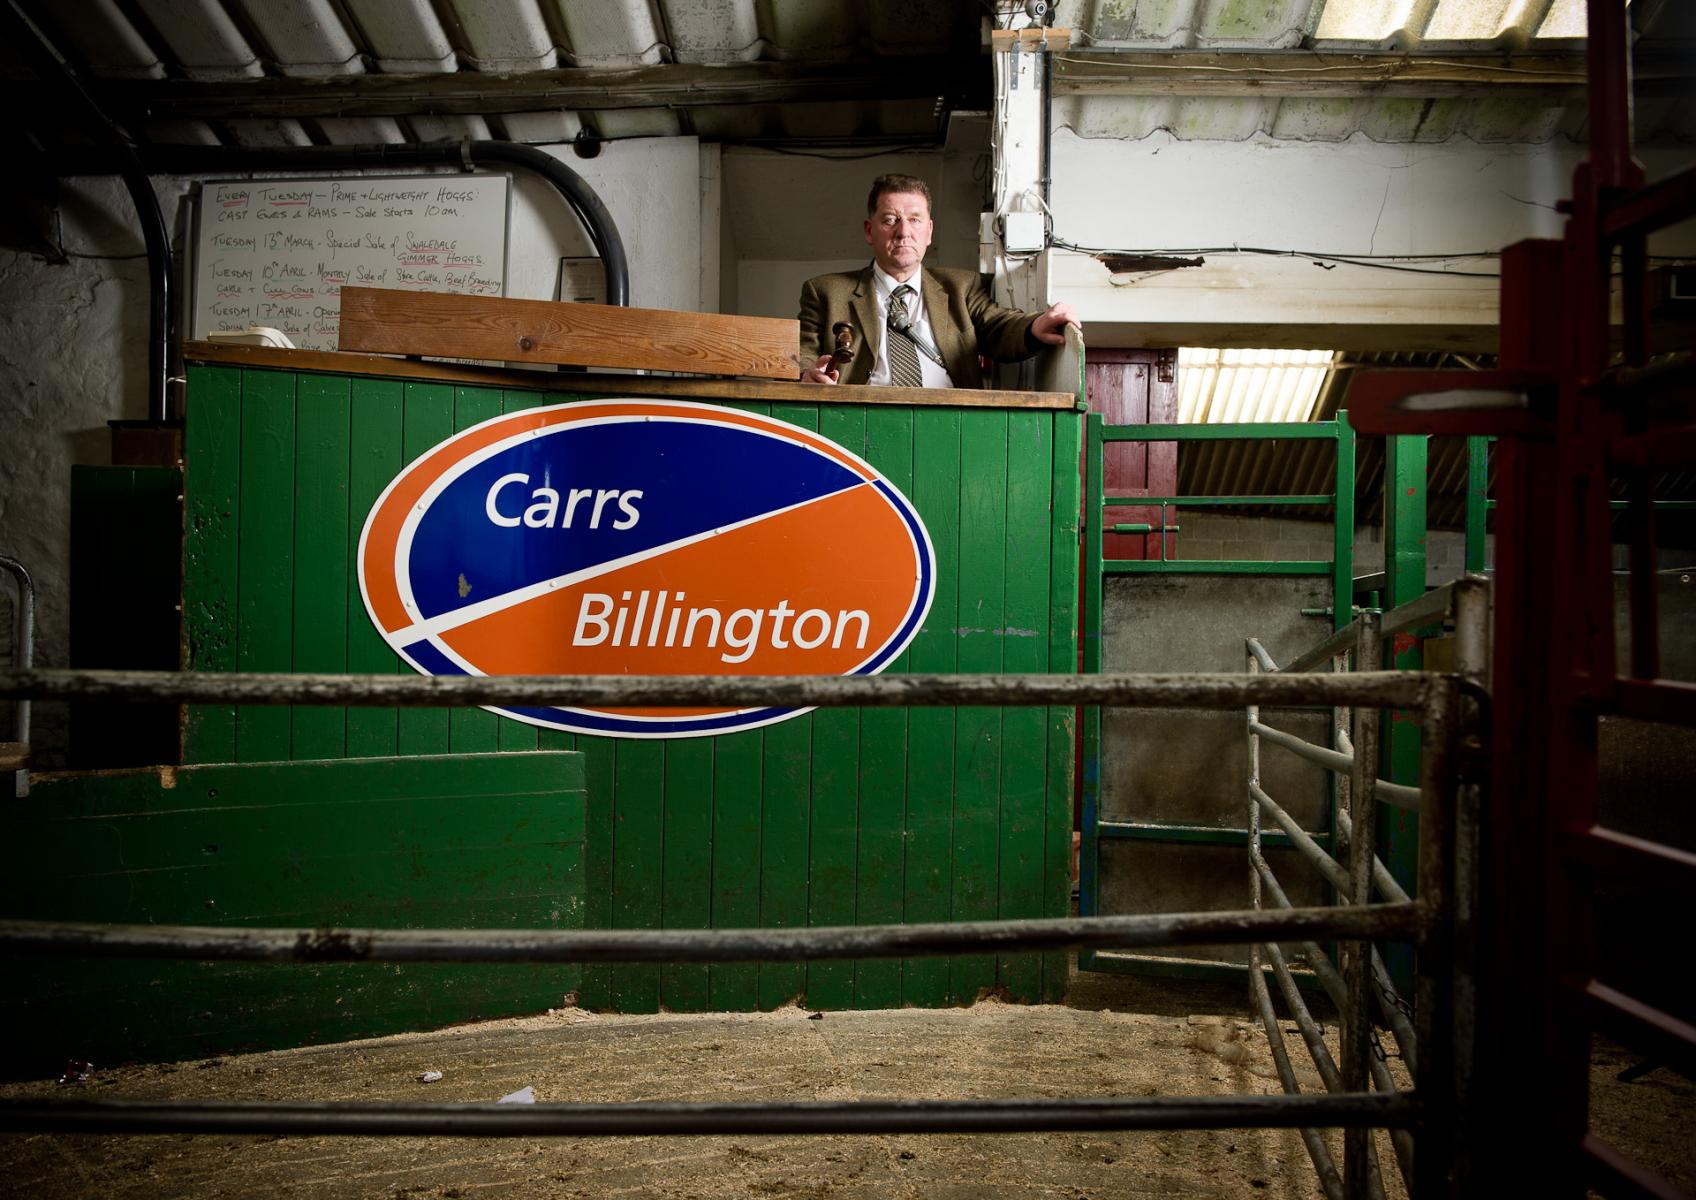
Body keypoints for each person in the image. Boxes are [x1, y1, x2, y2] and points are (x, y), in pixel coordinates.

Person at [798, 174, 1080, 388]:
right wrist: (807, 376)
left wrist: (1034, 326)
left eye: (915, 219)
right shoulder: (825, 292)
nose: (903, 231)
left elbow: (998, 326)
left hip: (949, 426)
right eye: (890, 220)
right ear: (869, 231)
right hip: (860, 422)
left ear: (929, 231)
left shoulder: (961, 286)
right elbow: (802, 356)